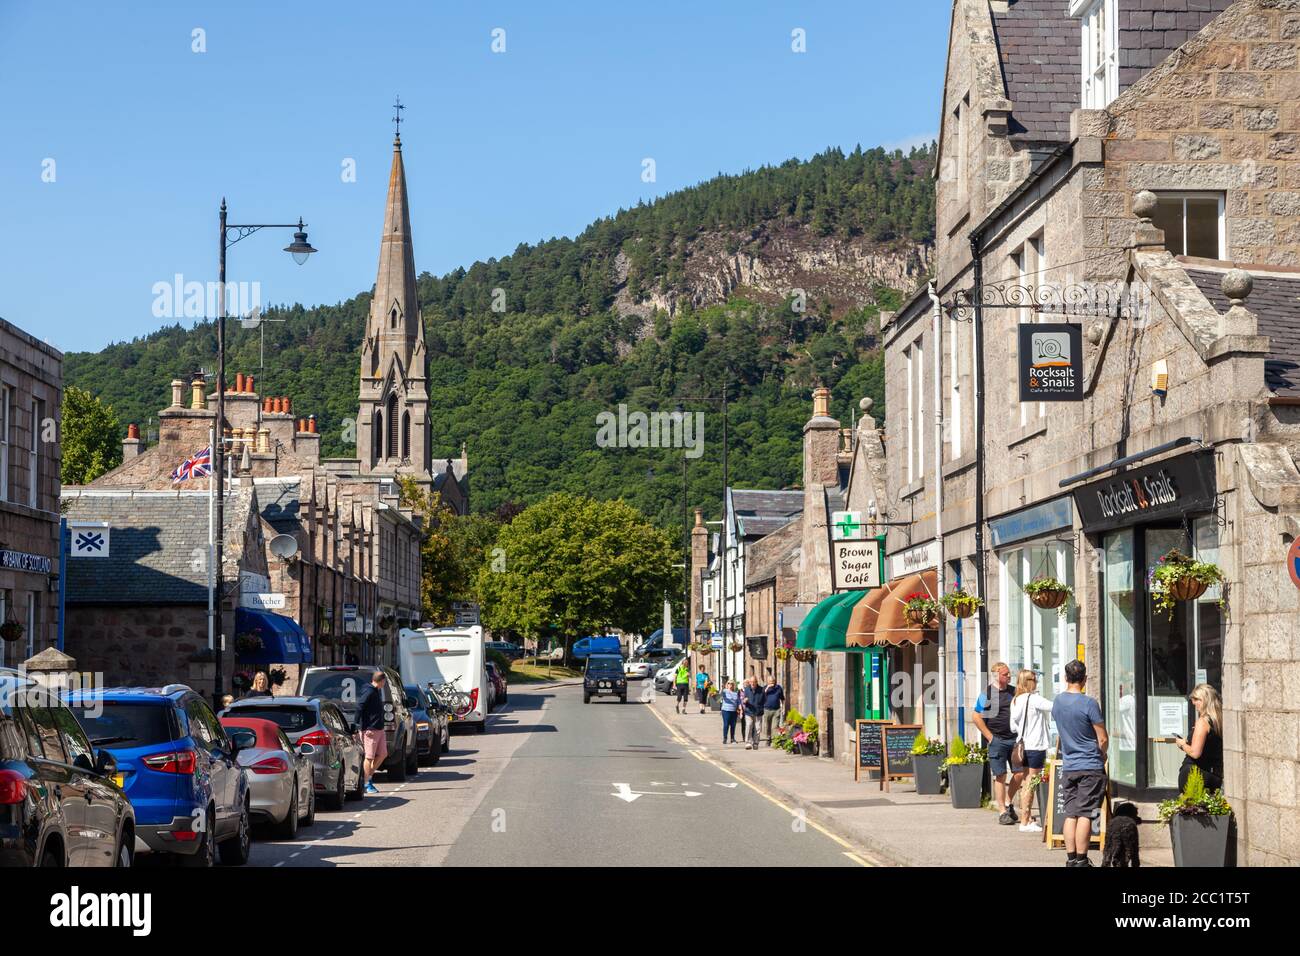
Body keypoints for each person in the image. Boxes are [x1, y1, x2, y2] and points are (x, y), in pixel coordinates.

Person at [1051, 659, 1108, 868]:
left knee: (1071, 813)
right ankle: (1082, 860)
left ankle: (1071, 858)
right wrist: (1103, 755)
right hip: (1090, 765)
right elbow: (1102, 738)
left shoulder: (1058, 702)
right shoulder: (1089, 703)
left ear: (1066, 678)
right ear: (1084, 679)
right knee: (1086, 813)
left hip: (1069, 766)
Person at [973, 662, 1021, 825]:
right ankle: (1002, 811)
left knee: (1020, 773)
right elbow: (976, 716)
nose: (1009, 676)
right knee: (1000, 775)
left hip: (1014, 739)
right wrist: (990, 737)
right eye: (1005, 674)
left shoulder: (1014, 691)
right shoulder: (986, 694)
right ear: (997, 676)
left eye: (1009, 674)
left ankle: (1008, 802)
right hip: (997, 739)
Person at [1009, 669, 1054, 833]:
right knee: (1031, 783)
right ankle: (1025, 821)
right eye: (1034, 679)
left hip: (1022, 747)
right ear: (1029, 682)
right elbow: (1054, 707)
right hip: (1035, 746)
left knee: (1026, 782)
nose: (1037, 682)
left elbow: (1013, 727)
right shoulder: (1034, 699)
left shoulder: (1015, 700)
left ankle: (1025, 819)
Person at [1175, 683, 1224, 792]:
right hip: (1214, 775)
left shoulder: (1203, 722)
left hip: (1195, 774)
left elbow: (1195, 753)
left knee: (1191, 808)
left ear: (1206, 700)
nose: (1193, 702)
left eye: (1197, 699)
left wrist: (1182, 744)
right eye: (1192, 699)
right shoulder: (1219, 720)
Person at [357, 670, 389, 795]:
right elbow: (360, 706)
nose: (384, 684)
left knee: (383, 754)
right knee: (369, 757)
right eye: (384, 682)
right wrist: (357, 725)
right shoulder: (369, 691)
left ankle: (368, 776)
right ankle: (366, 783)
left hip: (379, 728)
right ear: (381, 681)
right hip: (370, 729)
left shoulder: (375, 691)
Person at [761, 673, 785, 746]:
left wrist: (783, 707)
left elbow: (782, 698)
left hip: (776, 710)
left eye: (773, 681)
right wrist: (767, 688)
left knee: (775, 726)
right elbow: (761, 697)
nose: (772, 683)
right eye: (770, 681)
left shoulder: (778, 688)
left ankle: (775, 740)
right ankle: (768, 739)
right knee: (768, 726)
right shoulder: (765, 688)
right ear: (767, 681)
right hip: (767, 709)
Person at [741, 677, 763, 749]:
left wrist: (761, 708)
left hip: (758, 712)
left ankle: (756, 743)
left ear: (757, 682)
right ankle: (748, 743)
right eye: (751, 682)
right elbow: (743, 699)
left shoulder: (761, 690)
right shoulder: (747, 689)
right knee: (749, 726)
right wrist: (744, 701)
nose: (752, 683)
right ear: (749, 682)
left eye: (754, 682)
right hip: (749, 711)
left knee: (758, 728)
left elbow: (764, 700)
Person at [720, 679, 740, 744]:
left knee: (733, 725)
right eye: (729, 683)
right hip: (726, 711)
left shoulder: (736, 693)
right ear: (727, 685)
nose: (730, 685)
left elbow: (738, 702)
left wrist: (739, 709)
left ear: (734, 685)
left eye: (732, 684)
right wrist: (722, 688)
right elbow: (720, 695)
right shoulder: (725, 691)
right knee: (726, 724)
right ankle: (725, 738)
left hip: (734, 711)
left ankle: (732, 738)